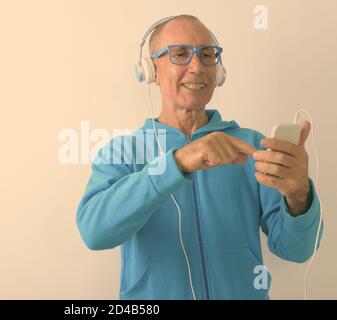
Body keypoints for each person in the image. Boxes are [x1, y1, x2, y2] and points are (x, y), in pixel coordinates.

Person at [76, 15, 323, 300]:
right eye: (180, 54)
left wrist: (299, 195)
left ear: (219, 71)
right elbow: (95, 233)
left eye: (207, 55)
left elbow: (297, 250)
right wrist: (177, 163)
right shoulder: (123, 152)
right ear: (150, 70)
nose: (197, 66)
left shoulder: (251, 146)